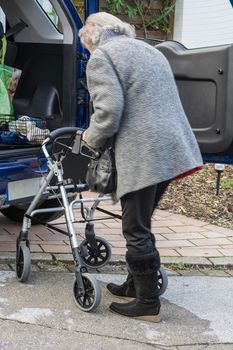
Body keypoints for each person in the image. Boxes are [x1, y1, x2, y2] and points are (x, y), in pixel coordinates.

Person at [79, 12, 203, 323]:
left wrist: (88, 140)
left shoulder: (102, 56)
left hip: (143, 152)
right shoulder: (149, 49)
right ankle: (137, 284)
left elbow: (109, 111)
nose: (87, 53)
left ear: (92, 37)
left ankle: (147, 303)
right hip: (172, 148)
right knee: (141, 220)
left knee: (134, 227)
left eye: (86, 47)